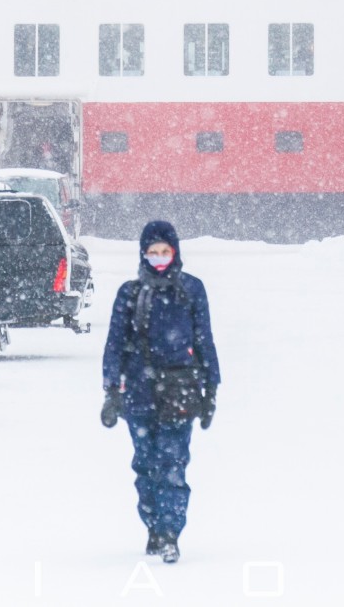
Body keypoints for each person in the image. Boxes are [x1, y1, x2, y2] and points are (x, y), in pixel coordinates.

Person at [100, 221, 220, 562]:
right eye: (152, 252)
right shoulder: (130, 293)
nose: (159, 258)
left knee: (173, 464)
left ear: (176, 252)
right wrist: (111, 391)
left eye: (165, 251)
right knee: (145, 465)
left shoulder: (192, 290)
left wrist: (210, 389)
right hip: (138, 394)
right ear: (143, 254)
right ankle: (152, 526)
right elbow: (115, 345)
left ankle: (171, 533)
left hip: (179, 392)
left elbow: (204, 340)